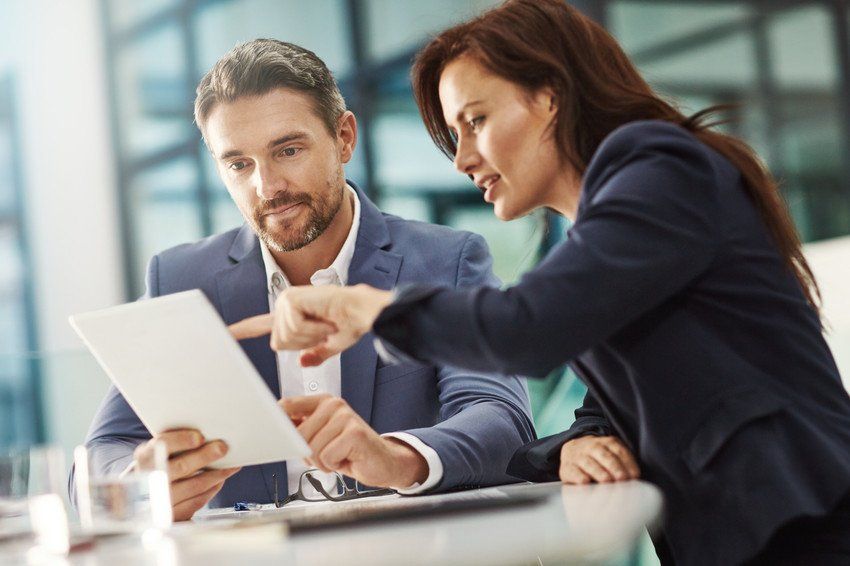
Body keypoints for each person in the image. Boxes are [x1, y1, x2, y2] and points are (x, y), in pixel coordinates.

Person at [229, 2, 850, 565]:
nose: (462, 158)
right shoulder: (610, 220)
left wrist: (367, 308)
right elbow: (603, 405)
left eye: (476, 121)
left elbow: (526, 329)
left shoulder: (660, 167)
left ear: (550, 96)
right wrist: (577, 446)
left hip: (806, 525)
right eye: (455, 134)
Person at [75, 38, 535, 521]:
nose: (267, 187)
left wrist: (395, 458)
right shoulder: (179, 280)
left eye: (288, 150)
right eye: (239, 164)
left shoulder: (446, 260)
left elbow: (501, 420)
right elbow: (104, 450)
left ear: (344, 138)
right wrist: (141, 483)